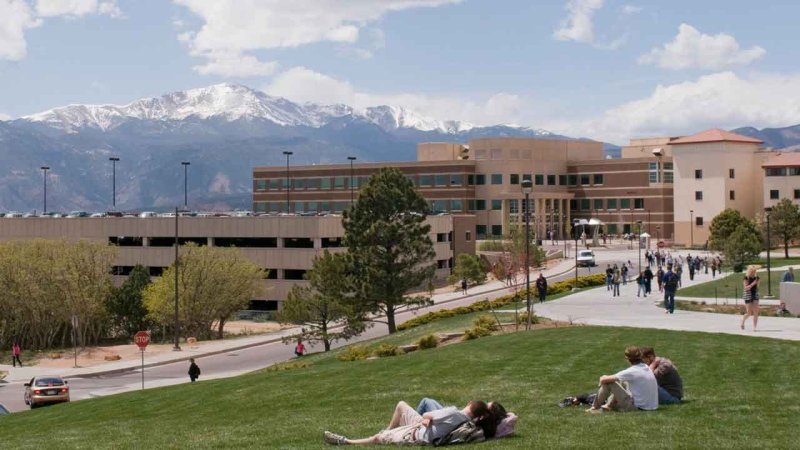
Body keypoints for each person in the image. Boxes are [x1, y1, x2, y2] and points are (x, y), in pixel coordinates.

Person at [323, 400, 489, 446]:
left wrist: (427, 418)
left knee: (377, 439)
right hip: (425, 431)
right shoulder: (468, 424)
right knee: (402, 406)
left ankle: (345, 441)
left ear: (469, 404)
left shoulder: (454, 412)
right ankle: (386, 430)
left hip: (417, 435)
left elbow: (427, 413)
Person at [587, 346, 658, 413]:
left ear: (627, 359)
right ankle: (608, 405)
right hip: (651, 407)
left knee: (609, 382)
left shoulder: (632, 371)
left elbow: (604, 380)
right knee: (621, 380)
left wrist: (603, 377)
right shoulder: (645, 367)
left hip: (638, 407)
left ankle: (595, 407)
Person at [741, 265, 761, 331]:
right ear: (749, 271)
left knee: (756, 312)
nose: (754, 272)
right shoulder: (746, 278)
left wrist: (756, 283)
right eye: (752, 270)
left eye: (754, 270)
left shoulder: (757, 278)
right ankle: (743, 321)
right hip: (748, 295)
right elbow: (746, 288)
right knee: (749, 313)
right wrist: (753, 283)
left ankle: (754, 327)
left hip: (755, 294)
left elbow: (757, 287)